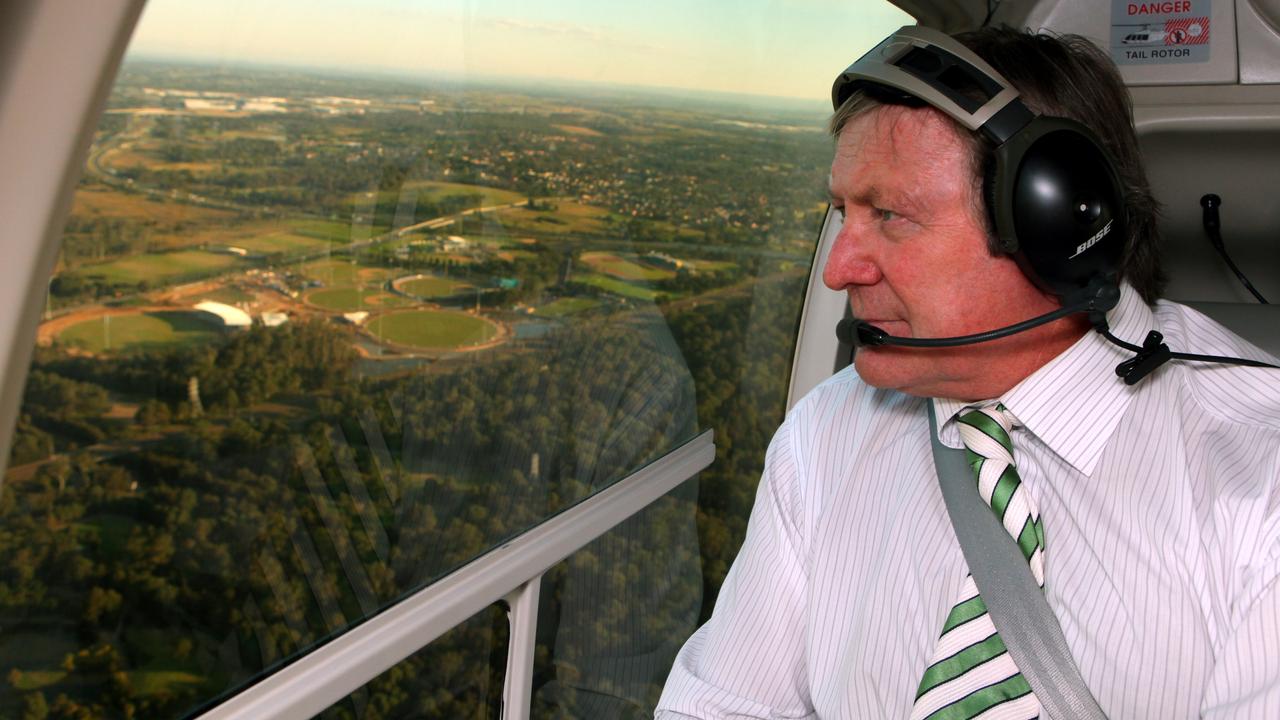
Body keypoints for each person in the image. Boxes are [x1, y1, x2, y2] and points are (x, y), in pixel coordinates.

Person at [654, 25, 1280, 719]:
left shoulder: (1262, 480)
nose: (839, 269)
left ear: (1057, 224)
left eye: (891, 216)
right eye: (843, 212)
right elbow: (720, 705)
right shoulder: (824, 435)